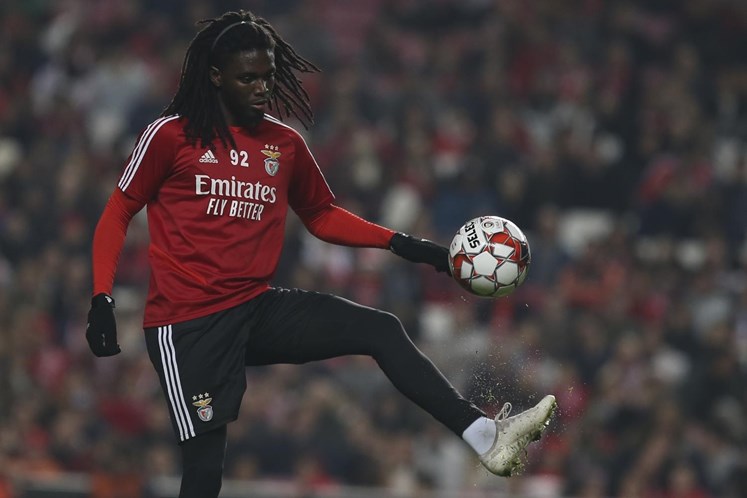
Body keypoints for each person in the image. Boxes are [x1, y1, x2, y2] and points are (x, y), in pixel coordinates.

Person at [85, 10, 557, 497]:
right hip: (187, 324)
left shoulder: (284, 143)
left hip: (255, 307)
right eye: (247, 78)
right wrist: (102, 298)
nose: (261, 88)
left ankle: (485, 438)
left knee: (380, 329)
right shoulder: (170, 135)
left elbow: (321, 215)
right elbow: (118, 212)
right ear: (216, 76)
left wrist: (403, 244)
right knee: (205, 471)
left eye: (267, 76)